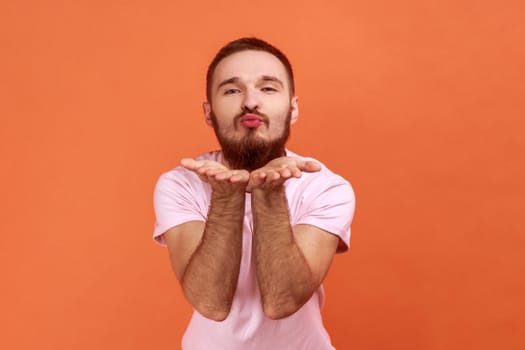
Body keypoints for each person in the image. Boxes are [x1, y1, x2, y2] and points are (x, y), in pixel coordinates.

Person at [153, 37, 356, 350]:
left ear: (293, 108)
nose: (250, 102)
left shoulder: (327, 188)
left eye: (268, 88)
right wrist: (225, 199)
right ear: (209, 112)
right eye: (232, 90)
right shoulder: (181, 184)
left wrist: (269, 194)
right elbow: (211, 303)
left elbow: (281, 301)